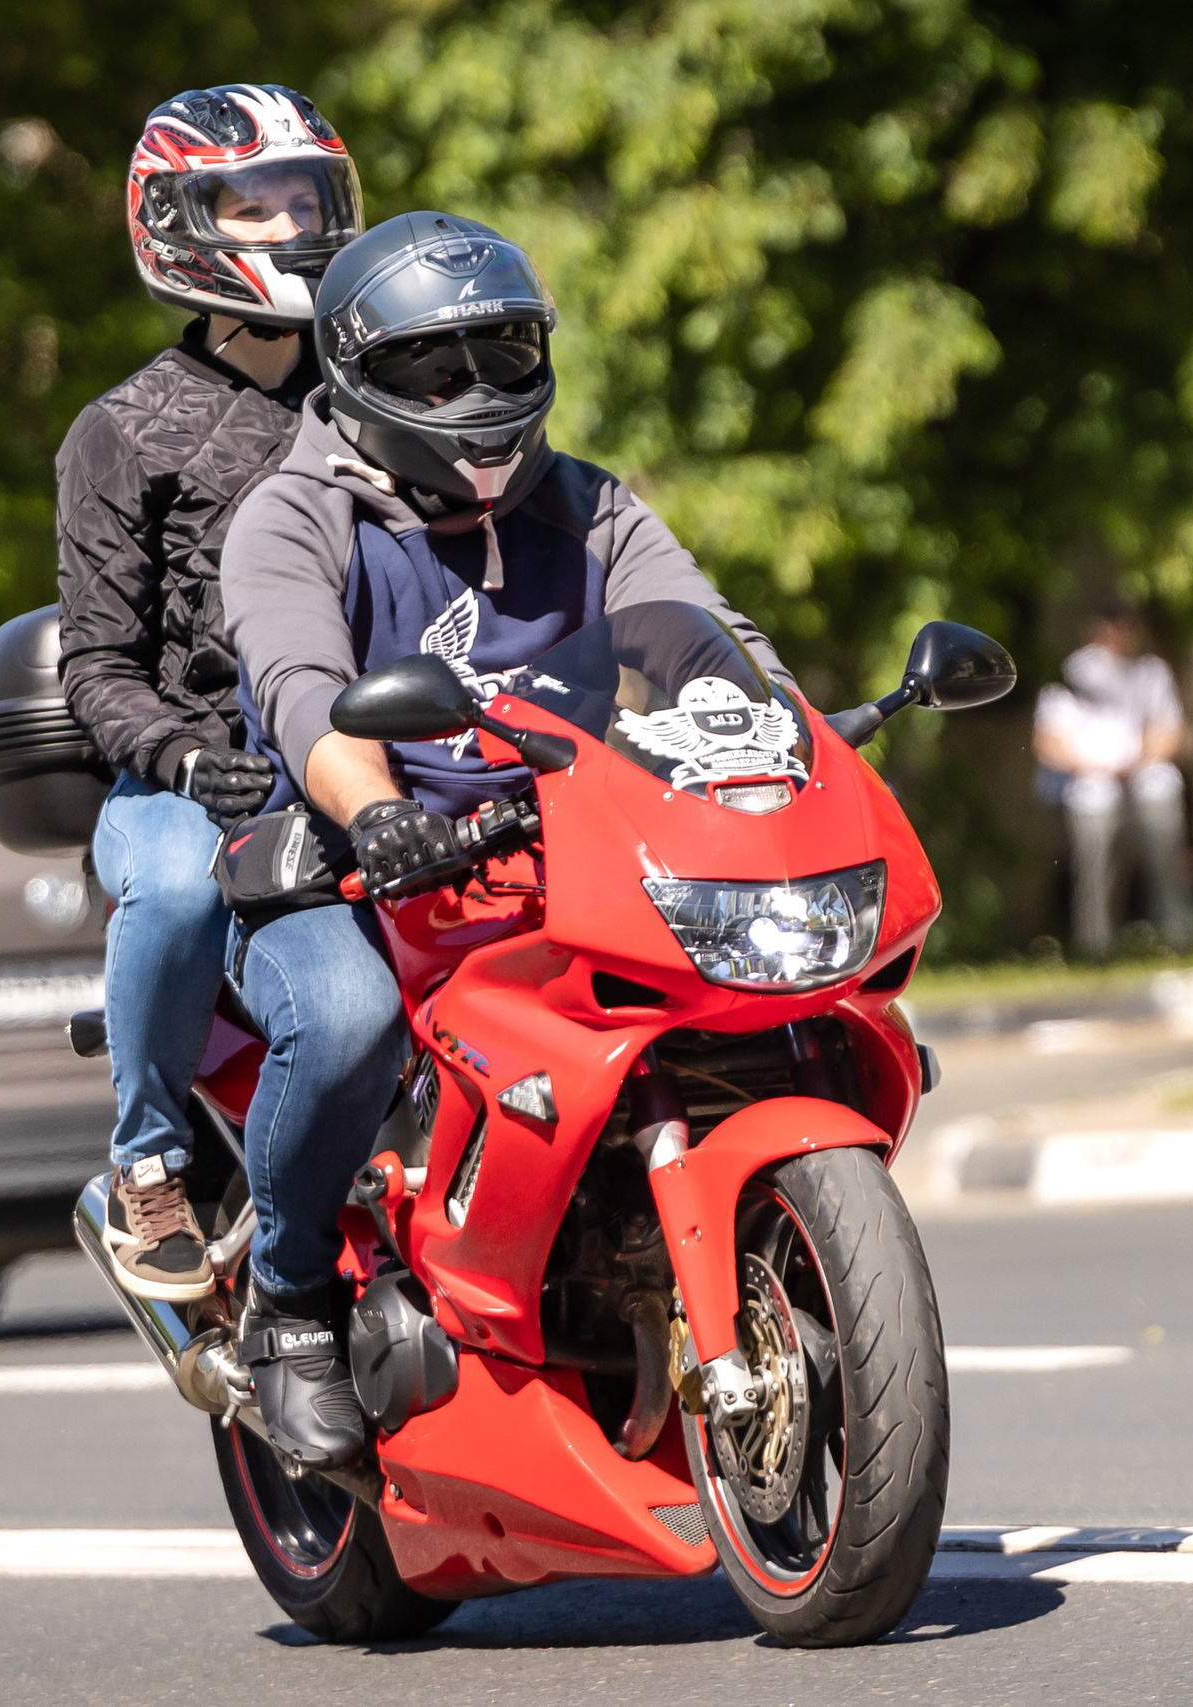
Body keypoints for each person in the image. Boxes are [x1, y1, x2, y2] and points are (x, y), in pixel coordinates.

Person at [218, 211, 792, 1467]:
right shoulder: (292, 517)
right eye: (435, 367)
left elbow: (699, 631)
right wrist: (378, 811)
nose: (475, 394)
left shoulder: (583, 502)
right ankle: (292, 1306)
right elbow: (303, 689)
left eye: (503, 356)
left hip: (562, 834)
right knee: (350, 1016)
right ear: (360, 371)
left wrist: (778, 727)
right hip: (351, 859)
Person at [56, 84, 363, 1304]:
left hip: (352, 773)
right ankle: (147, 1164)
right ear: (181, 221)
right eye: (257, 203)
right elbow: (94, 666)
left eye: (308, 199)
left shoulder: (377, 398)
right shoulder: (120, 431)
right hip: (183, 791)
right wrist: (182, 761)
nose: (291, 224)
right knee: (180, 886)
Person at [1034, 608, 1193, 959]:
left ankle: (1178, 937)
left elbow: (1170, 730)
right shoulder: (1069, 674)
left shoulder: (1151, 672)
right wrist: (1097, 767)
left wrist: (1135, 764)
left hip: (1146, 781)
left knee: (1166, 860)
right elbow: (1048, 741)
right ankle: (1097, 946)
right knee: (1094, 872)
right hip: (1092, 788)